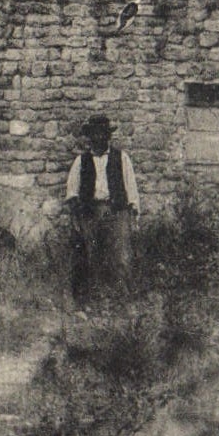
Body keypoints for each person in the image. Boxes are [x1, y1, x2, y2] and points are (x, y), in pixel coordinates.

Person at [64, 113, 139, 302]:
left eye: (102, 134)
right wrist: (76, 218)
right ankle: (94, 300)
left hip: (117, 211)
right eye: (95, 134)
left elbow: (132, 189)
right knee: (92, 255)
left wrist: (132, 214)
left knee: (121, 256)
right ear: (90, 137)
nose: (99, 138)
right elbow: (72, 192)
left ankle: (121, 300)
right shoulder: (81, 161)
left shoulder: (121, 158)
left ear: (108, 136)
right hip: (91, 212)